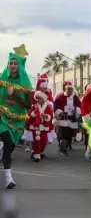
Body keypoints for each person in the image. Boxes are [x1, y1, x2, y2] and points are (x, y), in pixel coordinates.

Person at [0, 44, 32, 189]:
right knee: (7, 144)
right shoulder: (1, 80)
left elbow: (28, 105)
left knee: (10, 147)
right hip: (2, 116)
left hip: (18, 120)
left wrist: (16, 97)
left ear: (19, 66)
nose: (12, 65)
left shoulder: (25, 84)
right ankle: (9, 178)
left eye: (15, 63)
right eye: (10, 63)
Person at [53, 81, 81, 156]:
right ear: (65, 89)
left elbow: (79, 106)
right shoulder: (60, 97)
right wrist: (59, 112)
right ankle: (63, 148)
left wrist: (76, 110)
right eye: (68, 89)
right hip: (63, 118)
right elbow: (56, 107)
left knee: (69, 134)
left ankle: (65, 145)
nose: (69, 91)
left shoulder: (75, 97)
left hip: (72, 118)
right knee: (63, 134)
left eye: (71, 89)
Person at [26, 90, 53, 162]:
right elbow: (29, 118)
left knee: (44, 141)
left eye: (39, 98)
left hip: (44, 126)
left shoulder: (48, 107)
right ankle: (37, 156)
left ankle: (37, 152)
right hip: (35, 126)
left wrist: (46, 115)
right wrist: (33, 113)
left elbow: (51, 116)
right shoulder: (34, 107)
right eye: (36, 98)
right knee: (37, 140)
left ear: (43, 99)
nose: (38, 100)